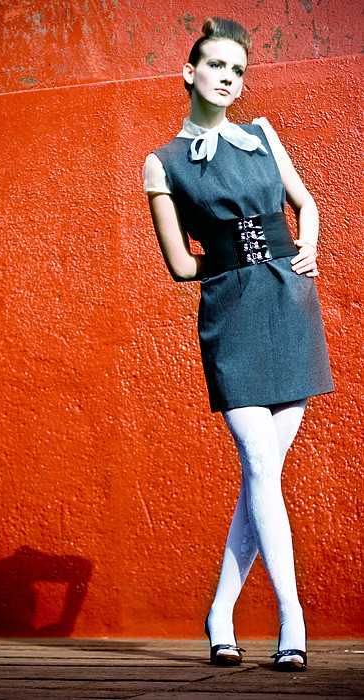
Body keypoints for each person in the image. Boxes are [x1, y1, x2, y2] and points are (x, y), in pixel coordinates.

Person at [142, 17, 334, 671]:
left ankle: (220, 612)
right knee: (258, 462)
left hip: (289, 304)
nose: (228, 77)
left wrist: (307, 248)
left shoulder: (263, 135)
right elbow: (180, 265)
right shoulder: (162, 163)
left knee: (261, 474)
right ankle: (292, 620)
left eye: (237, 70)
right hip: (231, 317)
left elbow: (305, 205)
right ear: (189, 73)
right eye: (216, 65)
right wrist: (232, 264)